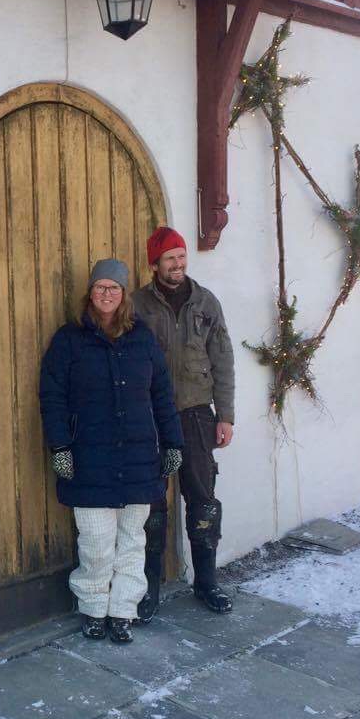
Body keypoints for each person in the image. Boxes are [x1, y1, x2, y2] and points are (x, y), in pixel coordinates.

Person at [40, 258, 184, 644]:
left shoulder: (142, 339)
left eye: (114, 288)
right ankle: (93, 608)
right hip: (89, 459)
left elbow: (162, 395)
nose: (107, 294)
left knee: (132, 541)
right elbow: (52, 397)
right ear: (91, 292)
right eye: (100, 287)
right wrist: (60, 446)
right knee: (96, 543)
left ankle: (123, 610)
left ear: (124, 296)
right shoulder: (68, 340)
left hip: (139, 459)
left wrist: (173, 442)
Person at [133, 227, 236, 618]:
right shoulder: (137, 306)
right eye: (169, 258)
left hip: (195, 415)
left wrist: (225, 415)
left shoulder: (206, 303)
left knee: (203, 499)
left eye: (181, 256)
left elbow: (223, 359)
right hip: (152, 417)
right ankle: (149, 588)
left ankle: (206, 582)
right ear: (155, 264)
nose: (177, 264)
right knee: (152, 503)